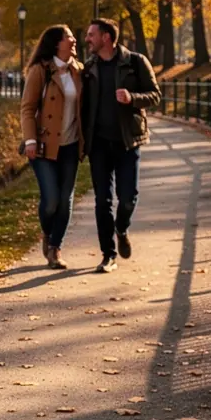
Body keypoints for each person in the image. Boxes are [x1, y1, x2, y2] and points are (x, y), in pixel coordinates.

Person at [81, 18, 161, 273]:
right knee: (102, 201)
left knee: (128, 198)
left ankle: (121, 228)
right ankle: (108, 255)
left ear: (106, 37)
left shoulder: (135, 62)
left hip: (127, 142)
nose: (88, 39)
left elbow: (155, 95)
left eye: (91, 34)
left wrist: (132, 98)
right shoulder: (89, 67)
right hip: (99, 145)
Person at [19, 25, 82, 270]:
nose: (74, 40)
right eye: (69, 37)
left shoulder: (79, 70)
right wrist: (30, 141)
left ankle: (55, 248)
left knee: (65, 200)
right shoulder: (40, 71)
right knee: (51, 200)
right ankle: (47, 233)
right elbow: (27, 108)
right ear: (57, 43)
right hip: (44, 146)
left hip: (70, 144)